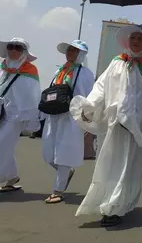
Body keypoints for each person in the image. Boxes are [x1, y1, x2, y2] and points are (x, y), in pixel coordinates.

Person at [70, 24, 142, 226]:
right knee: (109, 165)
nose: (136, 42)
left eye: (141, 39)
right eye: (133, 38)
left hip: (138, 126)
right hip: (114, 122)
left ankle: (119, 206)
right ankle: (109, 204)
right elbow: (101, 86)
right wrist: (90, 105)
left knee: (129, 167)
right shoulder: (117, 63)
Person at [42, 39, 95, 204]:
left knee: (63, 154)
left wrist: (87, 119)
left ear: (81, 54)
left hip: (72, 118)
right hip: (54, 115)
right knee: (49, 154)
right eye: (69, 50)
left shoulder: (85, 73)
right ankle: (66, 172)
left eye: (74, 50)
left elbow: (89, 96)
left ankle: (58, 189)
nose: (70, 53)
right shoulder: (59, 71)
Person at [0, 38, 41, 192]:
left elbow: (32, 95)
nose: (13, 50)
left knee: (1, 144)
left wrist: (29, 116)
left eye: (18, 47)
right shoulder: (3, 67)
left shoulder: (30, 70)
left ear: (24, 52)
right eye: (11, 47)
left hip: (17, 115)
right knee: (5, 146)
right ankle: (12, 176)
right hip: (1, 112)